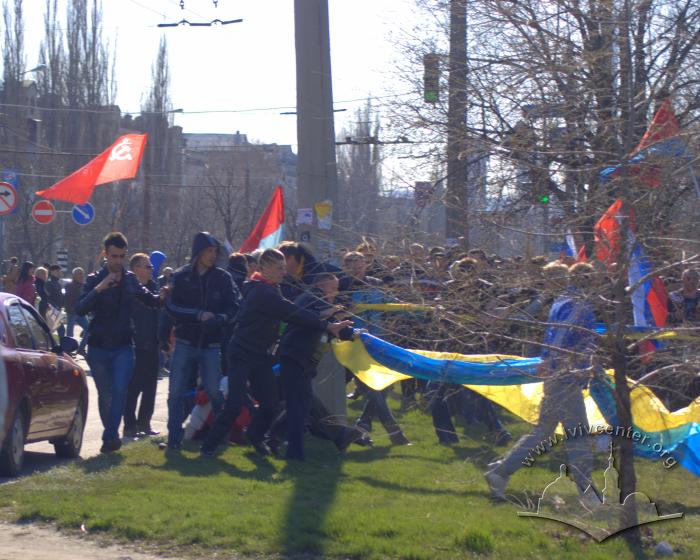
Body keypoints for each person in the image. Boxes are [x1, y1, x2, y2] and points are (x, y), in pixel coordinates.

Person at [200, 248, 351, 458]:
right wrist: (325, 325)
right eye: (279, 268)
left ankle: (255, 436)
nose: (283, 271)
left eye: (283, 267)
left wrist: (323, 315)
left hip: (260, 354)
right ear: (264, 268)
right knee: (234, 404)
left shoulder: (271, 288)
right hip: (241, 353)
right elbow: (291, 312)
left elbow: (293, 310)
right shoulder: (262, 291)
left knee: (270, 404)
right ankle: (209, 446)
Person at [485, 263, 597, 502]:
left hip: (559, 376)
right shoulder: (576, 303)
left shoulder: (562, 302)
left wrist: (550, 361)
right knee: (578, 435)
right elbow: (561, 336)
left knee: (544, 432)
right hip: (566, 376)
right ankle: (587, 492)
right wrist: (557, 362)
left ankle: (500, 471)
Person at [76, 232, 165, 453]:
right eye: (113, 256)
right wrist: (101, 287)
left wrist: (165, 294)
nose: (117, 261)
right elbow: (80, 309)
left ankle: (110, 436)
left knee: (119, 391)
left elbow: (152, 301)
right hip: (98, 346)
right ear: (105, 254)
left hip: (123, 346)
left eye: (121, 256)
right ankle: (112, 432)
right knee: (105, 395)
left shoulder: (130, 280)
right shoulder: (95, 278)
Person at [165, 232, 240, 450]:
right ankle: (174, 438)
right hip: (185, 341)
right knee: (175, 392)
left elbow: (234, 306)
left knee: (214, 392)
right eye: (209, 251)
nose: (212, 255)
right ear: (198, 253)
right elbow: (170, 307)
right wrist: (197, 315)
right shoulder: (180, 276)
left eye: (215, 252)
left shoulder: (223, 278)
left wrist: (220, 319)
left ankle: (219, 436)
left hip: (211, 343)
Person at [276, 272, 356, 460]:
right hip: (295, 356)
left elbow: (332, 328)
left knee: (301, 402)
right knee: (300, 404)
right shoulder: (311, 298)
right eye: (333, 286)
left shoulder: (323, 303)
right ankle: (294, 451)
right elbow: (306, 317)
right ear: (321, 284)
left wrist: (354, 333)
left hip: (307, 359)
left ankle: (272, 438)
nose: (336, 291)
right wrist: (329, 313)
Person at [123, 253, 161, 438]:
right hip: (134, 344)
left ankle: (145, 423)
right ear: (136, 268)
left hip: (153, 343)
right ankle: (130, 425)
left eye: (151, 267)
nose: (151, 269)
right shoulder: (128, 290)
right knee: (133, 387)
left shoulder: (155, 289)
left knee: (150, 387)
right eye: (147, 266)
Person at [64, 267, 88, 354]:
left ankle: (81, 349)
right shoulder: (70, 285)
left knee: (88, 329)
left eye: (82, 274)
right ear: (74, 275)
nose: (82, 276)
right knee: (70, 333)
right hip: (72, 311)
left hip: (80, 312)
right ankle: (67, 350)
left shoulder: (83, 285)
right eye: (79, 274)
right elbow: (68, 299)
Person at [45, 264, 65, 337]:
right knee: (60, 330)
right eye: (57, 271)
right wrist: (54, 307)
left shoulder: (58, 282)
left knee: (53, 330)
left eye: (60, 271)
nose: (59, 273)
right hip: (52, 309)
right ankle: (62, 346)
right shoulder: (49, 283)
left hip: (57, 309)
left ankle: (57, 346)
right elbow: (47, 297)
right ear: (52, 272)